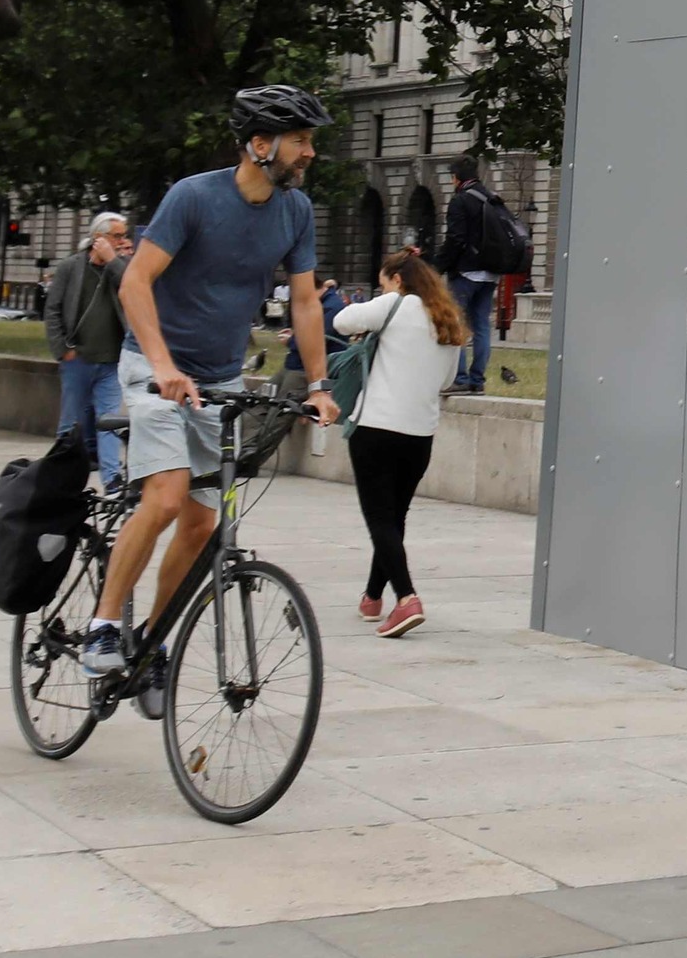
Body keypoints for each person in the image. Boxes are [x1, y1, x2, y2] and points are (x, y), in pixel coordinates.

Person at [82, 86, 339, 678]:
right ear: (259, 144)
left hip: (219, 376)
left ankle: (150, 640)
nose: (310, 153)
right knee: (168, 497)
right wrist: (164, 365)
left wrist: (320, 384)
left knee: (203, 522)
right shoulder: (193, 198)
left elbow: (304, 301)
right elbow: (134, 283)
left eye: (309, 142)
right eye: (301, 141)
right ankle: (102, 627)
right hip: (154, 367)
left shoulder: (295, 212)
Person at [326, 249, 467, 635]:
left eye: (383, 281)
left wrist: (375, 316)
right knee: (393, 517)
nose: (382, 288)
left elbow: (340, 321)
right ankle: (373, 597)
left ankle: (406, 599)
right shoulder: (448, 319)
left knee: (379, 520)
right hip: (420, 435)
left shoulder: (394, 305)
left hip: (376, 428)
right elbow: (445, 380)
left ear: (398, 280)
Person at [42, 211, 135, 491]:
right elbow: (53, 309)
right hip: (77, 359)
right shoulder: (72, 267)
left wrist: (112, 260)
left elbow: (133, 285)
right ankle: (60, 477)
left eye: (123, 236)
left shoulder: (120, 267)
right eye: (116, 236)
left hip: (111, 361)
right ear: (98, 237)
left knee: (108, 422)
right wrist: (62, 350)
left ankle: (111, 478)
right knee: (71, 421)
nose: (122, 241)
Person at [438, 158, 519, 395]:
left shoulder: (460, 201)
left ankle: (460, 378)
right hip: (490, 273)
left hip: (465, 272)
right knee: (482, 325)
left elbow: (455, 239)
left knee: (457, 324)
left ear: (456, 177)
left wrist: (437, 266)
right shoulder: (493, 198)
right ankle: (477, 380)